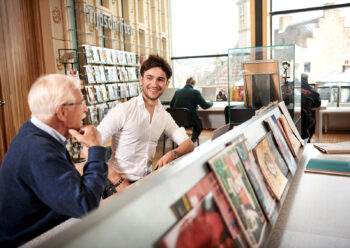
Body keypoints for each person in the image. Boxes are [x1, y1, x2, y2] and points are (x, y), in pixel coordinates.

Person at [0, 74, 109, 247]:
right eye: (80, 103)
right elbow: (86, 207)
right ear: (62, 112)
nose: (85, 109)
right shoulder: (38, 150)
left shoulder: (36, 134)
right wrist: (95, 151)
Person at [97, 55, 194, 185]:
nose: (154, 84)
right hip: (116, 183)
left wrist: (172, 154)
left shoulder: (164, 115)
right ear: (141, 79)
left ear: (166, 84)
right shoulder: (123, 110)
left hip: (144, 181)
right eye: (149, 78)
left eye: (160, 79)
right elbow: (89, 147)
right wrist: (118, 181)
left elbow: (188, 144)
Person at [170, 77, 213, 143]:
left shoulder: (177, 91)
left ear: (186, 83)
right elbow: (205, 106)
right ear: (193, 84)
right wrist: (211, 102)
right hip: (190, 121)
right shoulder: (195, 92)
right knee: (198, 126)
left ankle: (181, 142)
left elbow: (171, 105)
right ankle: (192, 141)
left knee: (191, 122)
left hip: (177, 121)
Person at [301, 73, 321, 141]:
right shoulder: (313, 91)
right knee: (313, 121)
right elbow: (318, 104)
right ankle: (308, 139)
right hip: (306, 121)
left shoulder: (291, 87)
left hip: (291, 119)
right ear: (307, 80)